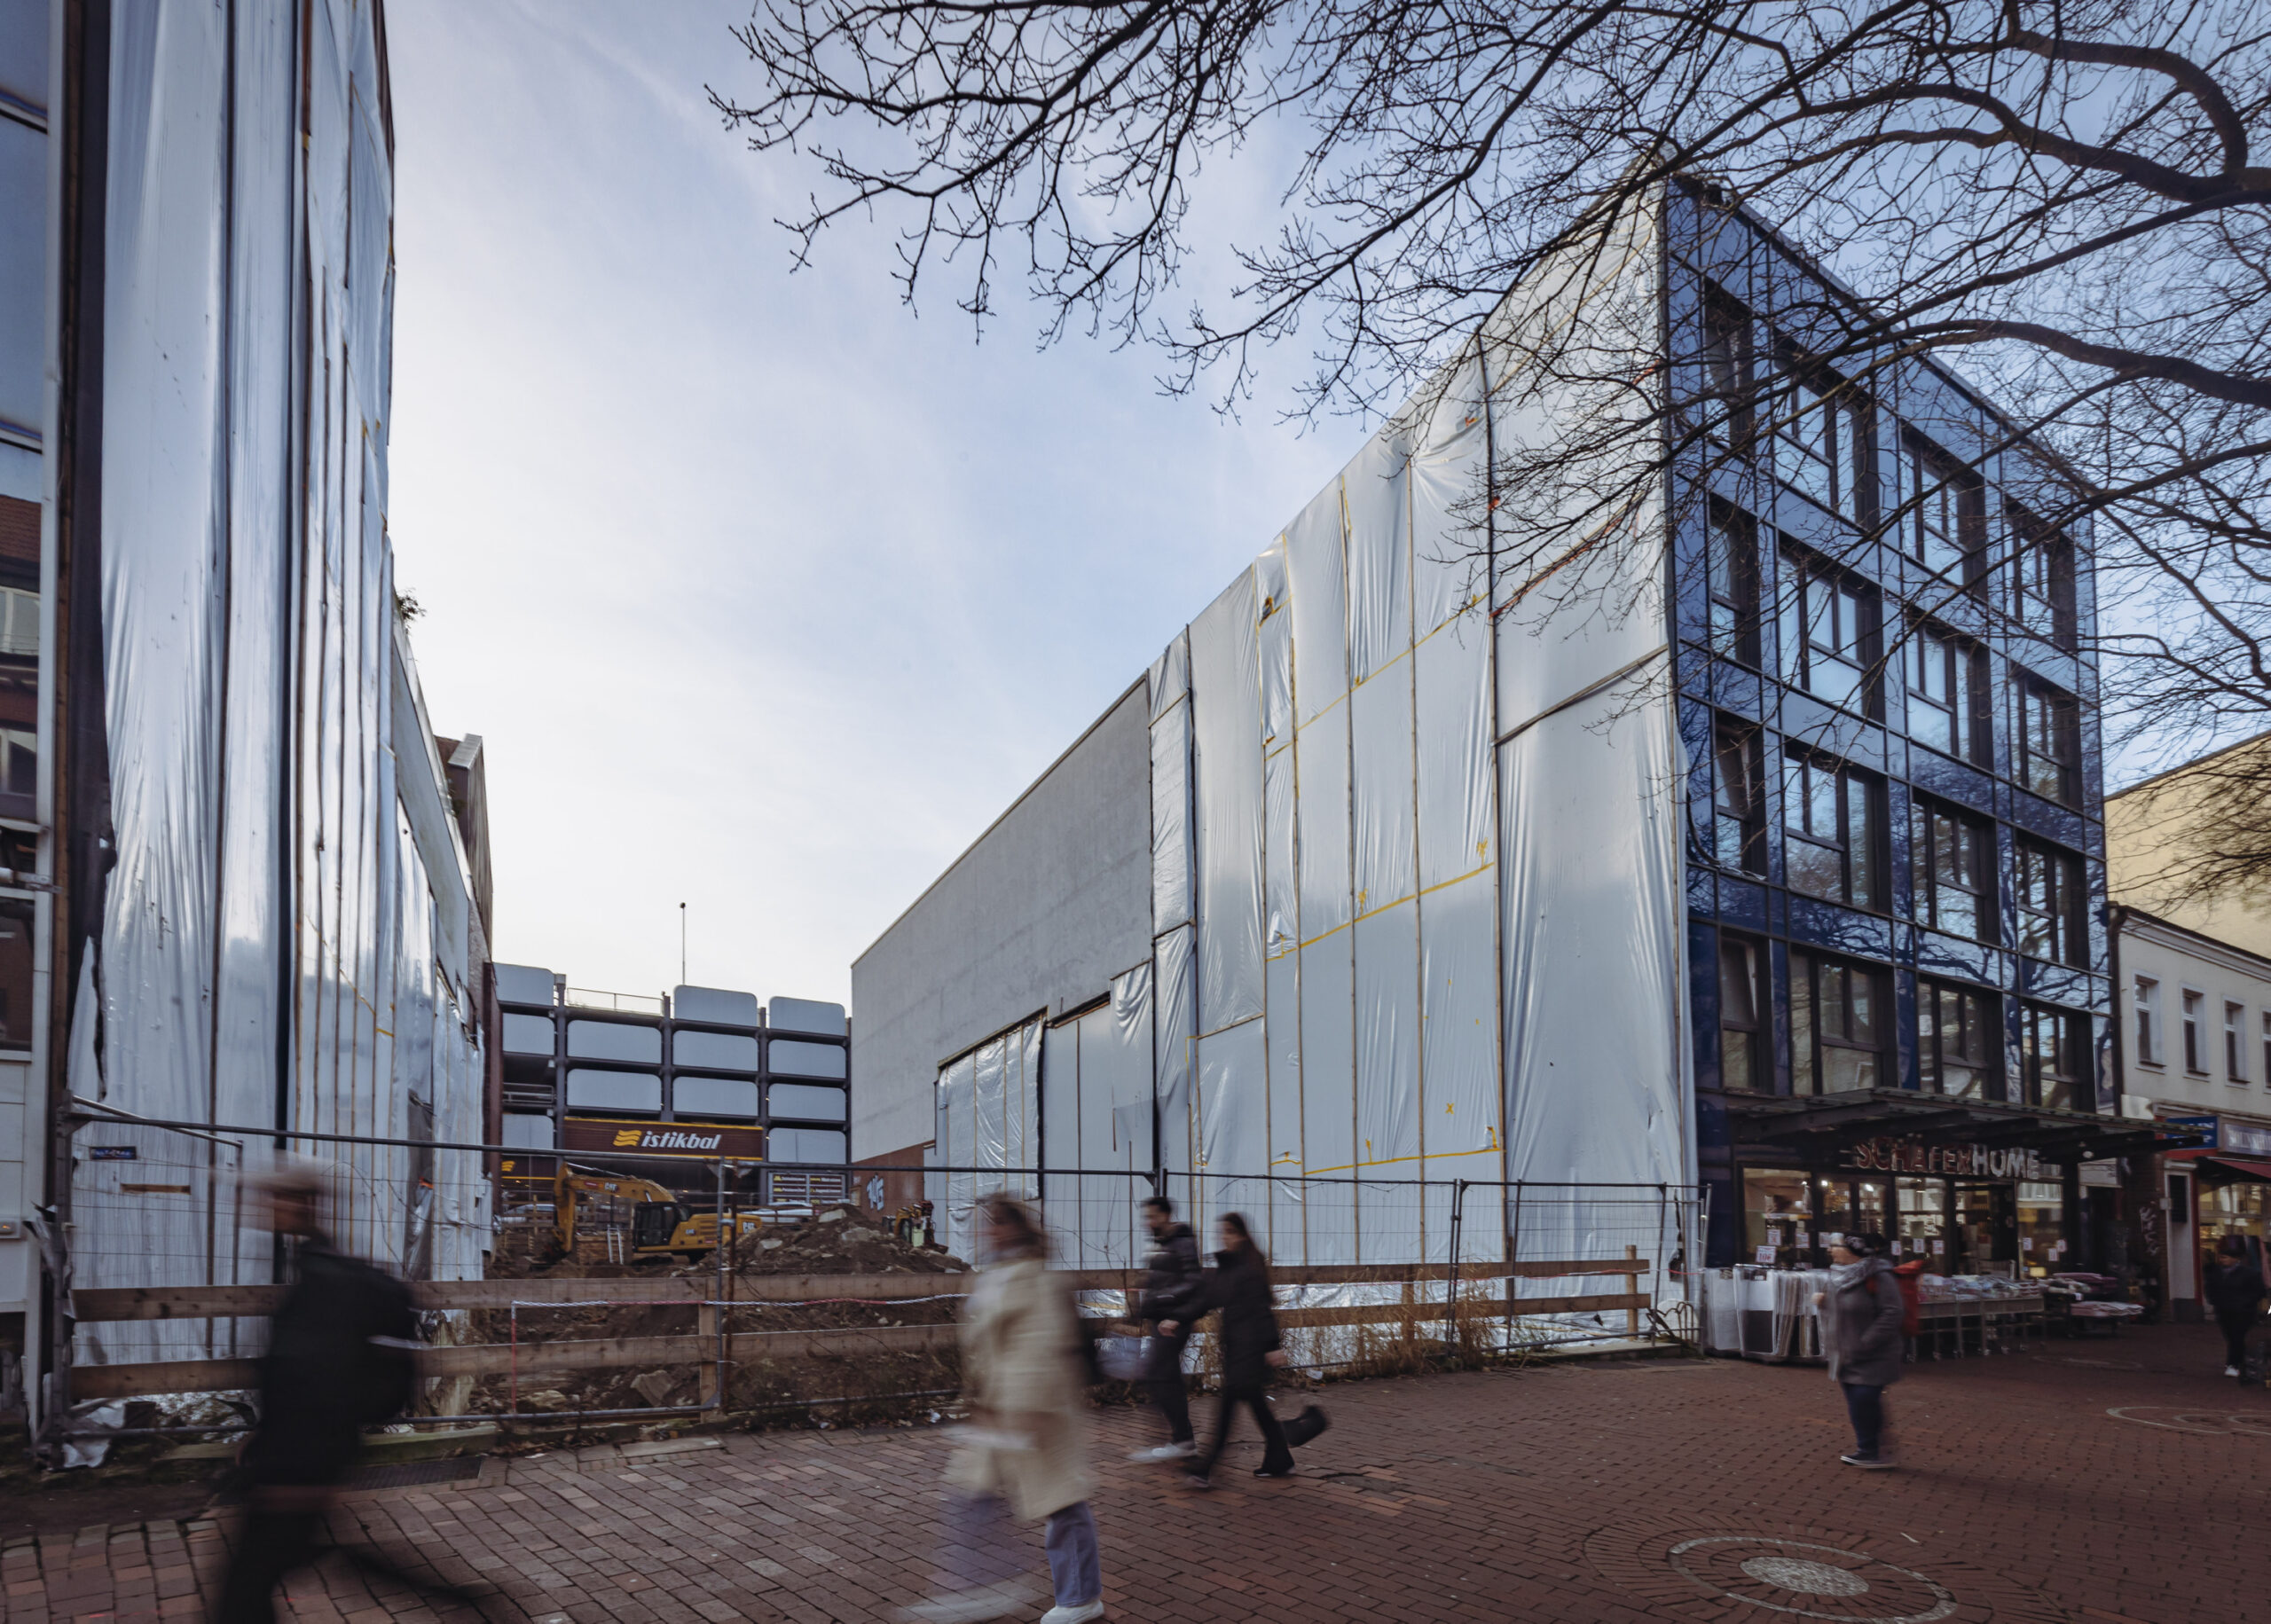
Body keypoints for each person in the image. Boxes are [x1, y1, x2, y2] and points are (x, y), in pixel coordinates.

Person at [216, 1163, 473, 1624]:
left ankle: (463, 1602)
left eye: (276, 1198)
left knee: (245, 1589)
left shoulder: (324, 1286)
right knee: (318, 1561)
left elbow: (316, 1383)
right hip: (302, 1460)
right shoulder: (316, 1274)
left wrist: (299, 1472)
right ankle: (461, 1601)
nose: (263, 1207)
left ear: (301, 1205)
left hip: (299, 1467)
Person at [907, 1195, 1105, 1624]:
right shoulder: (994, 1275)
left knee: (1062, 1504)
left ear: (1015, 1227)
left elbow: (1039, 1348)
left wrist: (1021, 1409)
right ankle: (977, 1585)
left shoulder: (1035, 1280)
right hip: (996, 1409)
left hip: (1035, 1412)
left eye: (995, 1223)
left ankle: (1080, 1598)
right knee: (971, 1497)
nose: (987, 1231)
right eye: (985, 1223)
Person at [1160, 1212, 1293, 1488]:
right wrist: (1178, 1318)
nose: (1224, 1237)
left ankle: (1205, 1468)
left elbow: (1263, 1312)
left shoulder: (1250, 1267)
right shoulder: (1229, 1267)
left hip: (1251, 1350)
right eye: (1222, 1232)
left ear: (1242, 1235)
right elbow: (1205, 1300)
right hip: (1237, 1349)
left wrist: (1272, 1347)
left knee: (1226, 1409)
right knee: (1258, 1406)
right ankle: (1280, 1457)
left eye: (1230, 1232)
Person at [1814, 1231, 1904, 1471]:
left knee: (1865, 1399)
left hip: (1875, 1354)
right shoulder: (1835, 1276)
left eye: (1834, 1246)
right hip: (1846, 1353)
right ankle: (1872, 1449)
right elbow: (1838, 1313)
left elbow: (1893, 1312)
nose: (1830, 1250)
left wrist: (1867, 1342)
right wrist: (1823, 1303)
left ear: (1852, 1250)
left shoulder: (1879, 1275)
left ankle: (1872, 1450)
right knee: (1859, 1403)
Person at [1127, 1196, 1205, 1463]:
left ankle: (1182, 1440)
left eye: (1153, 1217)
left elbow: (1193, 1280)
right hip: (1159, 1320)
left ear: (1166, 1215)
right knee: (1165, 1378)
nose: (1148, 1222)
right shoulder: (1160, 1243)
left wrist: (1164, 1302)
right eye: (1146, 1217)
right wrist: (1141, 1309)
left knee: (1159, 1376)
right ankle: (1183, 1440)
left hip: (1174, 1322)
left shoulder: (1182, 1242)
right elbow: (1157, 1280)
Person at [2205, 1234, 2267, 1378]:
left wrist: (2246, 1303)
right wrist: (2215, 1301)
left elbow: (2259, 1291)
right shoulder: (2216, 1273)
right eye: (2221, 1257)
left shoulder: (2250, 1274)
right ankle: (2243, 1362)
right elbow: (2210, 1289)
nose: (2222, 1260)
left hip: (2243, 1312)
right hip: (2224, 1311)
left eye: (2225, 1257)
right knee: (2231, 1336)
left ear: (2235, 1259)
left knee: (2237, 1336)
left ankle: (2233, 1364)